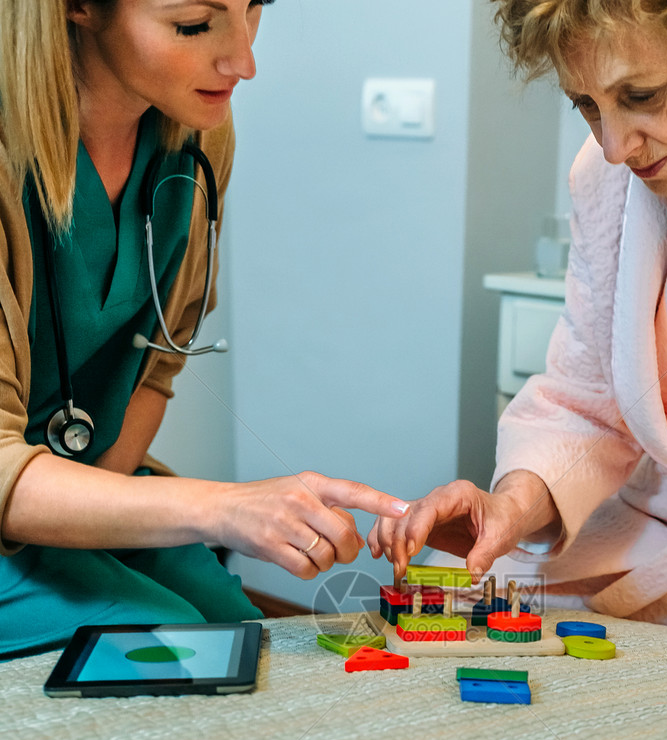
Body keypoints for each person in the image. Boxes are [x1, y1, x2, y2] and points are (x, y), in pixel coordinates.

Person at [369, 0, 667, 734]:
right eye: (586, 107)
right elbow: (586, 397)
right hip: (659, 540)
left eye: (641, 97)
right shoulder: (604, 181)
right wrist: (515, 502)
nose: (613, 146)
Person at [0, 0, 410, 657]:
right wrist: (224, 507)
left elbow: (157, 363)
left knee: (237, 625)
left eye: (255, 9)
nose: (244, 61)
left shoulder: (196, 138)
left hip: (92, 485)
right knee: (171, 642)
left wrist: (95, 525)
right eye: (193, 24)